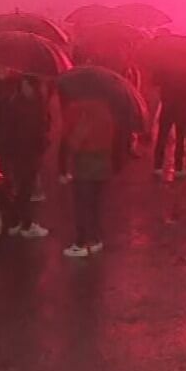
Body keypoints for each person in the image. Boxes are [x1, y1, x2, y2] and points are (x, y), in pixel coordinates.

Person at [0, 73, 52, 239]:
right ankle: (26, 225)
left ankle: (16, 222)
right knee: (24, 189)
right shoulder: (30, 105)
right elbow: (36, 130)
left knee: (19, 188)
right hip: (26, 152)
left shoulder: (12, 102)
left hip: (16, 152)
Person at [60, 95, 122, 257]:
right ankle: (95, 239)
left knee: (82, 205)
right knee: (94, 205)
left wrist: (68, 146)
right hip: (103, 165)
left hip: (86, 166)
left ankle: (81, 243)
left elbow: (75, 142)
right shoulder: (107, 112)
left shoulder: (87, 113)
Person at [152, 70, 186, 179]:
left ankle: (158, 167)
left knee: (162, 137)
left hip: (167, 107)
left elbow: (155, 81)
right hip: (181, 108)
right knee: (180, 138)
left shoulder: (167, 68)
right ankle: (178, 168)